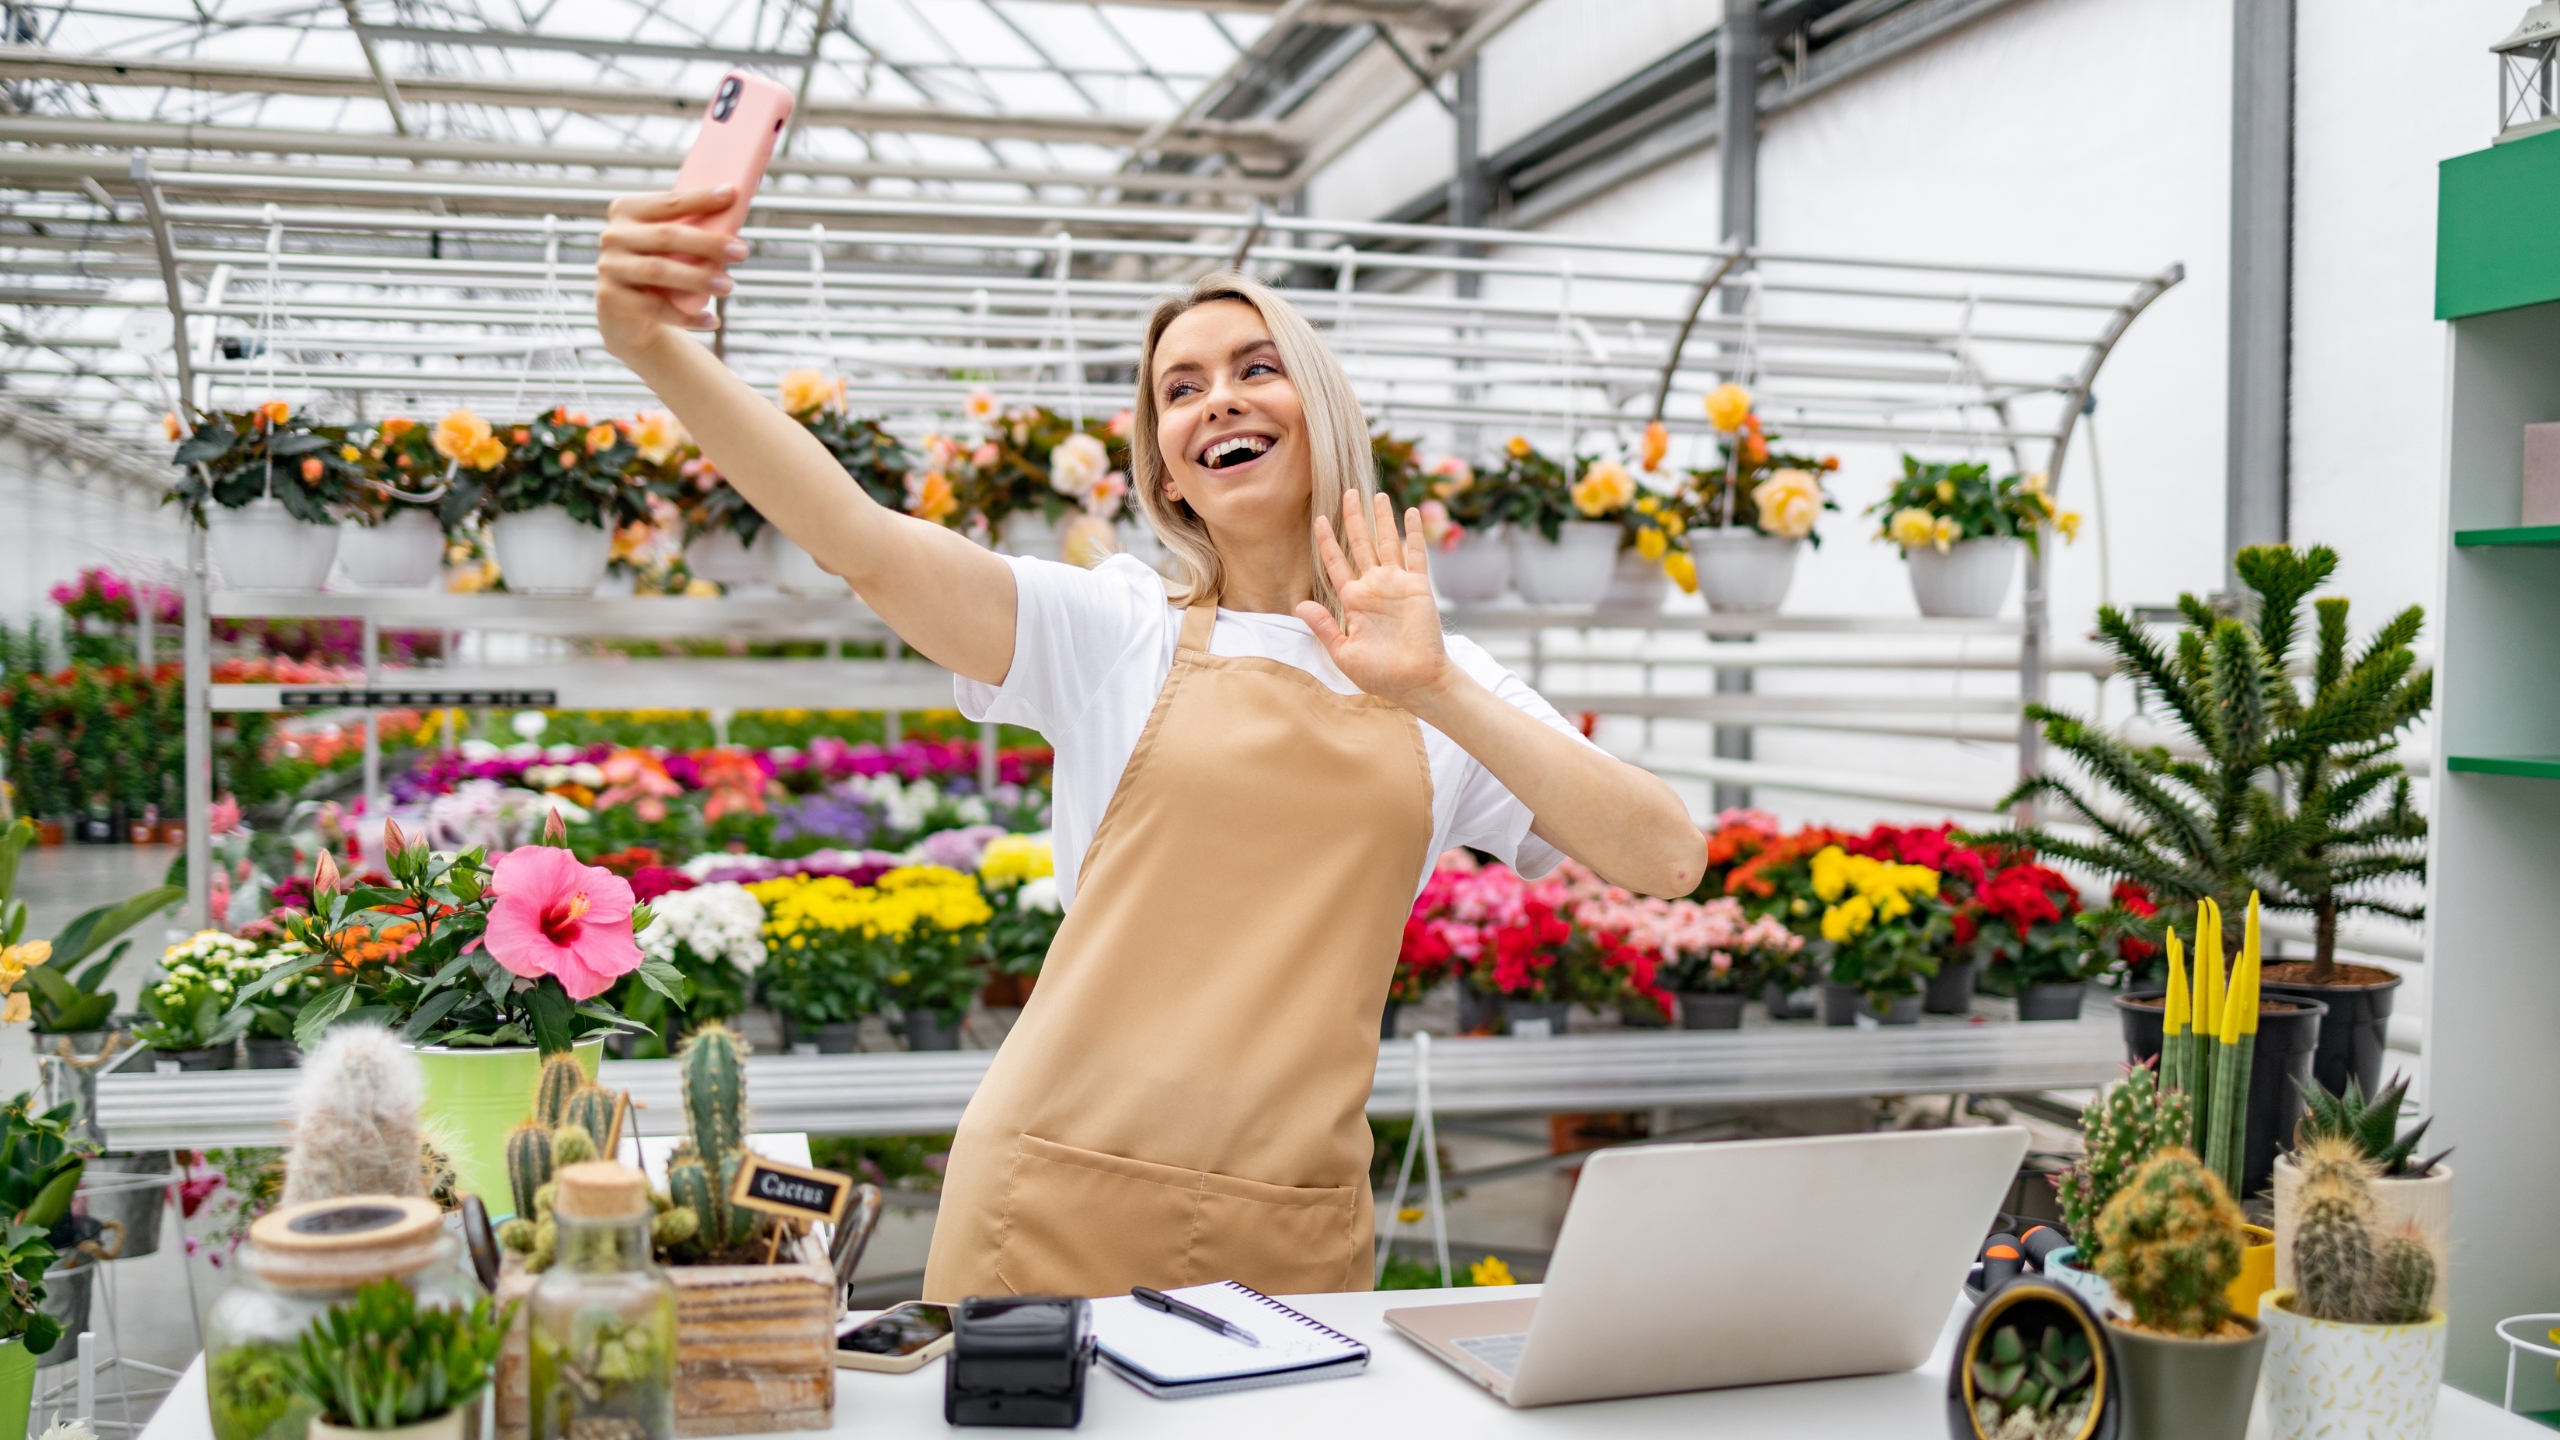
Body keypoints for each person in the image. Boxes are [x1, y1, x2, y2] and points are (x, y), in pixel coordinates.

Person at [595, 187, 1708, 1299]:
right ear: (1168, 470)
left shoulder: (1443, 677)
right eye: (1182, 389)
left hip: (1293, 1223)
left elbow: (1666, 857)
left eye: (1255, 368)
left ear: (1324, 413)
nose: (1218, 397)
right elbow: (860, 543)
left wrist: (1433, 689)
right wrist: (656, 350)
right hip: (1052, 1197)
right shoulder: (1112, 631)